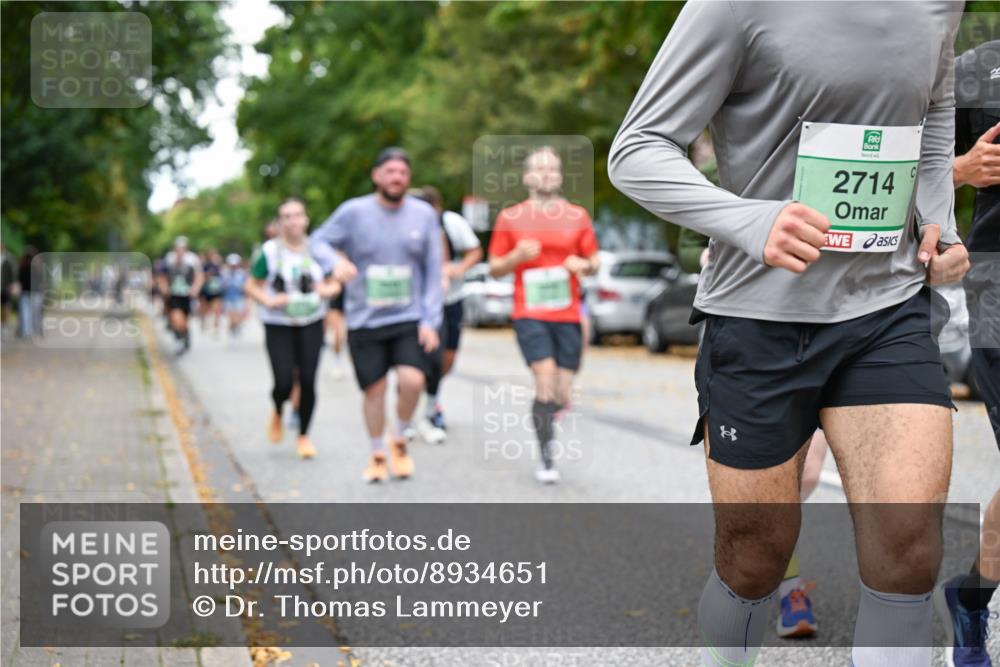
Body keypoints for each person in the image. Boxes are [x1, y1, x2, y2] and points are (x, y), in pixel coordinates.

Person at [608, 4, 969, 665]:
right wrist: (749, 220)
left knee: (909, 548)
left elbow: (935, 112)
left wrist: (938, 219)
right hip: (758, 315)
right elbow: (636, 149)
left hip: (885, 308)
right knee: (754, 558)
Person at [311, 147, 443, 483]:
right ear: (376, 176)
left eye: (402, 172)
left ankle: (398, 437)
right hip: (364, 317)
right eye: (390, 172)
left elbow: (432, 269)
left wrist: (430, 320)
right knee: (375, 390)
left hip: (408, 316)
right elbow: (318, 242)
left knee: (414, 379)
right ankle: (376, 452)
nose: (396, 178)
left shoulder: (424, 214)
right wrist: (334, 263)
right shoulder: (353, 212)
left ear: (408, 178)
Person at [935, 38, 1000, 667]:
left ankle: (973, 596)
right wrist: (960, 170)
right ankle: (973, 600)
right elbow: (904, 166)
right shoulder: (973, 71)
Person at [488, 146, 600, 484]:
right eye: (539, 169)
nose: (546, 174)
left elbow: (594, 262)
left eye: (552, 169)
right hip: (529, 313)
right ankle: (546, 457)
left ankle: (551, 411)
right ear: (526, 177)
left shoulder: (577, 216)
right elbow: (494, 268)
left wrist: (584, 265)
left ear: (561, 176)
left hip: (567, 314)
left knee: (563, 390)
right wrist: (517, 256)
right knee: (545, 378)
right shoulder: (510, 217)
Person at [245, 197, 340, 460]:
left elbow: (336, 283)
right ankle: (278, 409)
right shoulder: (269, 251)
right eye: (286, 216)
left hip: (311, 322)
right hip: (279, 324)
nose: (292, 221)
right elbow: (251, 285)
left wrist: (325, 290)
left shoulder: (320, 250)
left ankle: (303, 436)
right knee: (284, 381)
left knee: (308, 380)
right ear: (280, 222)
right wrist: (269, 300)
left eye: (297, 215)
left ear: (306, 219)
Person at [412, 185, 482, 444]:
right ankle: (421, 411)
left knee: (446, 359)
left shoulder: (452, 223)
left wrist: (457, 268)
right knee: (420, 358)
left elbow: (475, 251)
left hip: (451, 300)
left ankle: (430, 398)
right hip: (419, 304)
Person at [158, 237, 203, 354]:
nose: (180, 251)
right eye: (178, 248)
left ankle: (185, 335)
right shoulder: (169, 259)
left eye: (182, 248)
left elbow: (199, 276)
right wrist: (164, 288)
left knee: (184, 322)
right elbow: (162, 276)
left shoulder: (192, 259)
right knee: (176, 318)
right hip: (174, 295)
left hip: (187, 296)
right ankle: (179, 339)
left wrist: (195, 289)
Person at [222, 253, 249, 338]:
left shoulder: (242, 274)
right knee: (231, 317)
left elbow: (246, 287)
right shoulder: (224, 273)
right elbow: (222, 286)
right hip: (228, 298)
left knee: (237, 317)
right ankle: (231, 331)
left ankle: (235, 328)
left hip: (239, 298)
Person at [200, 250, 225, 336]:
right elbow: (201, 277)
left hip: (216, 290)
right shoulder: (205, 266)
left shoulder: (218, 266)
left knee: (217, 309)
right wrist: (208, 274)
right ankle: (204, 320)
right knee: (205, 308)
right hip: (206, 290)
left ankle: (216, 326)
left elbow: (221, 278)